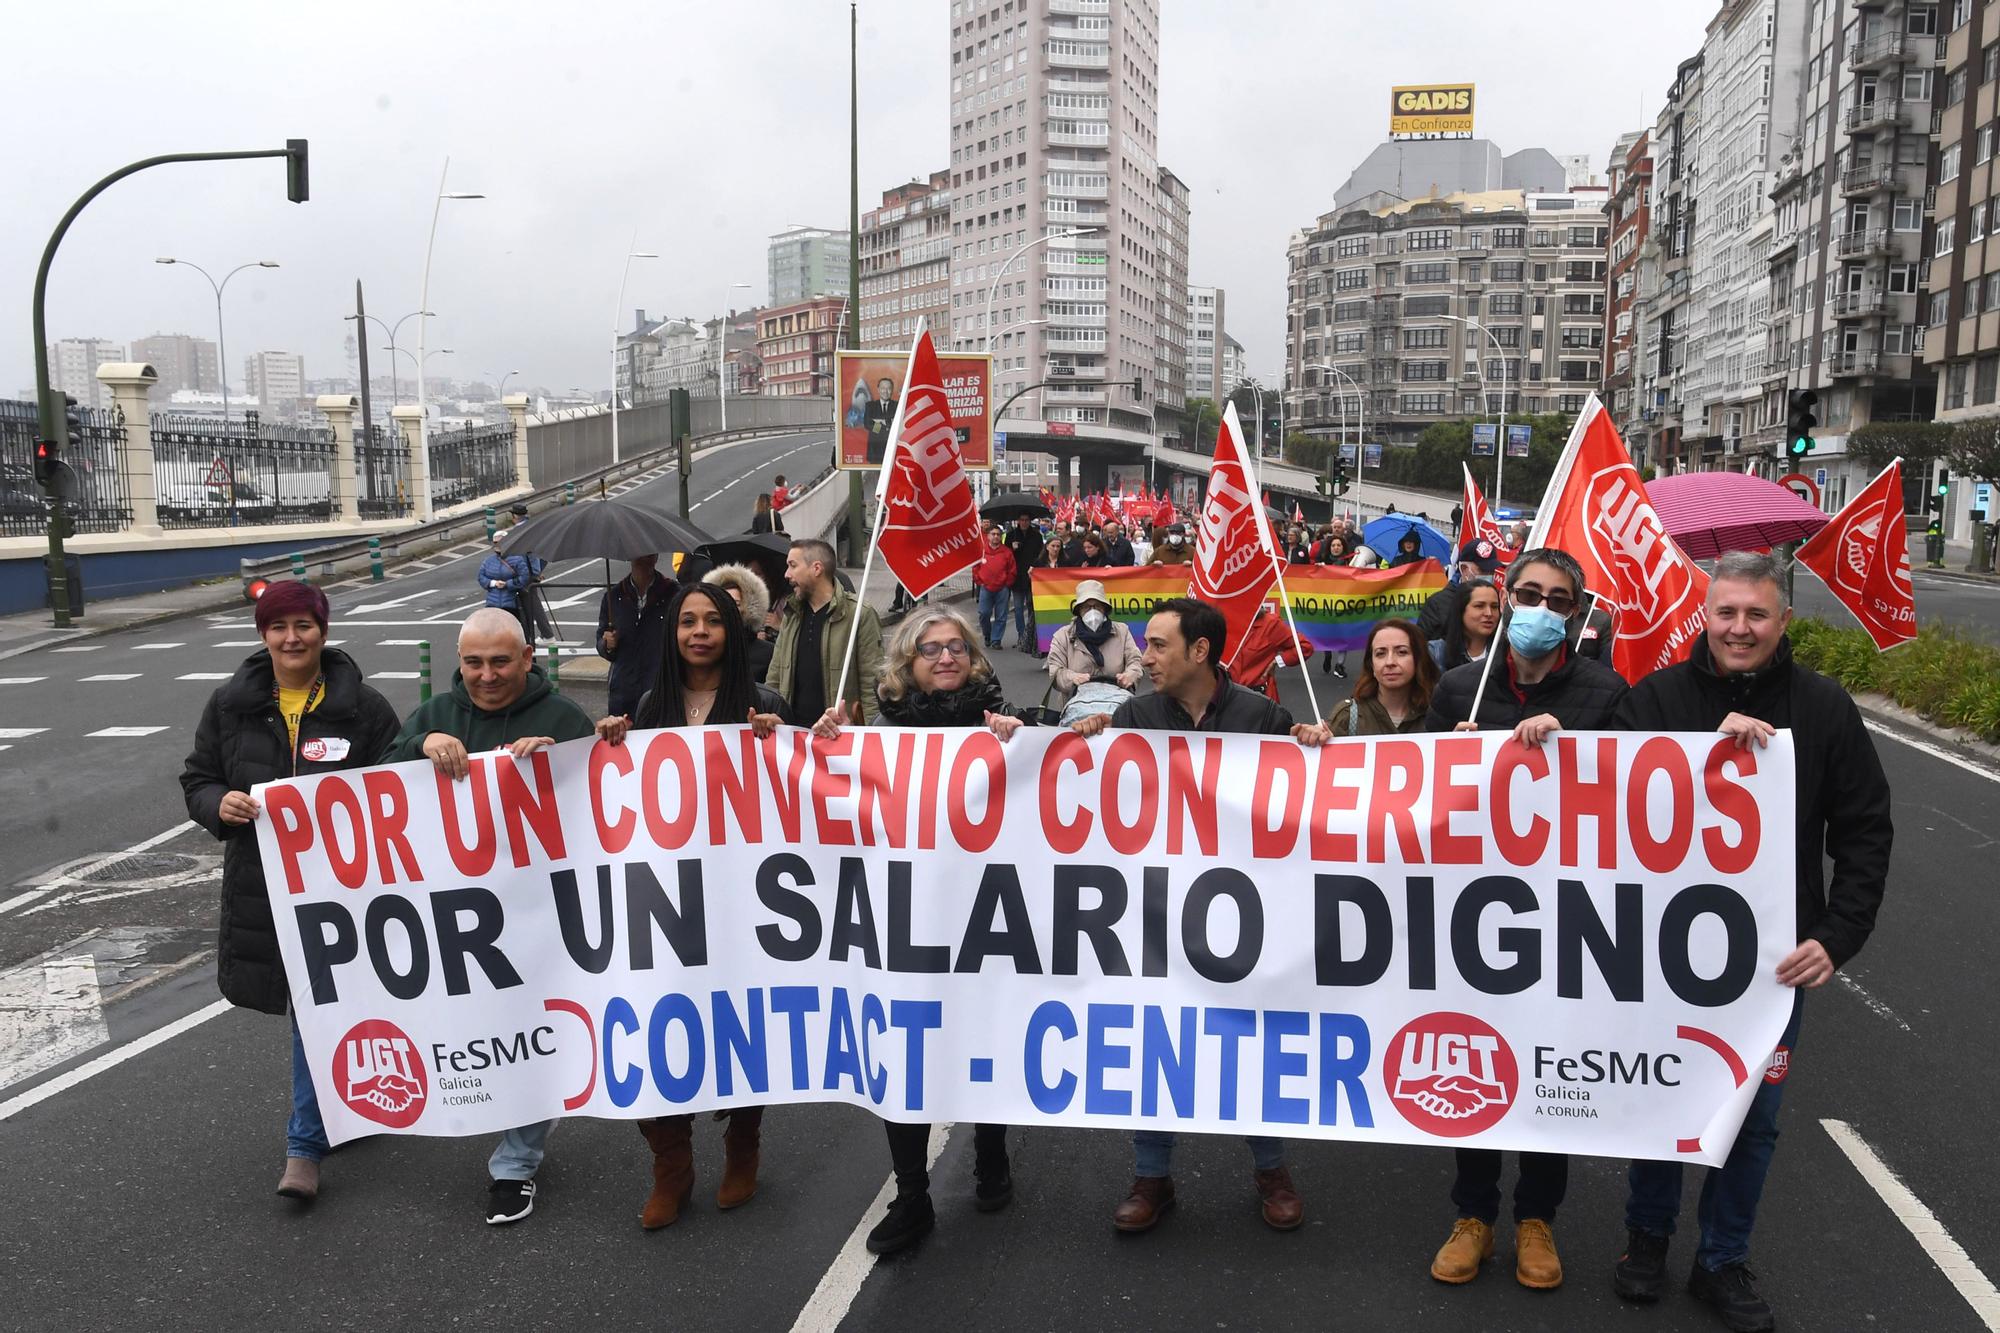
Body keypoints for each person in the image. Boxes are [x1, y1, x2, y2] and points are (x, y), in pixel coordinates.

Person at [1610, 550, 1892, 1333]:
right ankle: (1647, 1237)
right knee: (1663, 1092)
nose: (1740, 628)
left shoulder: (1825, 706)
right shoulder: (1658, 697)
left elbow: (1866, 829)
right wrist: (1706, 746)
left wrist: (1837, 934)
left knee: (1753, 1114)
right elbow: (1597, 796)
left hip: (1770, 966)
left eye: (1756, 614)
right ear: (1705, 614)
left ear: (1783, 621)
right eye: (1726, 611)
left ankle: (1721, 1257)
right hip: (1660, 953)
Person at [1071, 598, 1331, 1234]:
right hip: (1158, 914)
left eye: (1158, 646)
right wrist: (1081, 745)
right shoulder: (1133, 714)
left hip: (1245, 917)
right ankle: (1151, 1176)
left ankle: (1271, 1169)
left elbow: (1302, 809)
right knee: (1155, 1037)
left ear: (1200, 652)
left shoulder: (1262, 715)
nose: (1145, 657)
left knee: (1248, 1039)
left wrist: (1311, 744)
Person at [1423, 548, 1628, 1289]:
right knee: (1473, 1058)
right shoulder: (1457, 689)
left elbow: (1638, 793)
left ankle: (1536, 1217)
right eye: (1530, 592)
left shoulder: (1605, 691)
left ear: (1576, 612)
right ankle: (1472, 1213)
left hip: (1562, 917)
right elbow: (1411, 798)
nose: (1542, 606)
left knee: (1548, 1065)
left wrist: (1568, 752)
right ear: (1504, 599)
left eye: (1559, 598)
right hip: (1472, 915)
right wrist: (1448, 760)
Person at [809, 608, 1037, 1254]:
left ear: (974, 658)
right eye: (930, 648)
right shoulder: (878, 735)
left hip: (987, 920)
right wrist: (830, 745)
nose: (946, 656)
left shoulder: (1003, 724)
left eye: (957, 647)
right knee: (902, 1052)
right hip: (906, 920)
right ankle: (912, 1195)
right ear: (906, 663)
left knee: (986, 1042)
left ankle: (991, 1151)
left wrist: (1019, 745)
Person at [178, 581, 400, 1205]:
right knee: (315, 1005)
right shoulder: (230, 706)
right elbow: (198, 778)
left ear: (323, 630)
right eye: (279, 627)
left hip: (347, 888)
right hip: (266, 886)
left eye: (303, 624)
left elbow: (399, 786)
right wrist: (215, 804)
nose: (292, 638)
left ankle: (305, 1142)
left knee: (323, 1005)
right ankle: (327, 1120)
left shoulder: (365, 707)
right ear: (263, 635)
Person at [381, 607, 596, 1226]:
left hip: (539, 912)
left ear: (528, 659)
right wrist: (419, 745)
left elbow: (604, 805)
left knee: (528, 1025)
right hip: (455, 916)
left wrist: (559, 763)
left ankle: (515, 1162)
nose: (486, 674)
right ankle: (492, 1118)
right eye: (473, 662)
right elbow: (376, 789)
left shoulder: (562, 717)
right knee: (474, 1024)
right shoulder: (436, 715)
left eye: (500, 661)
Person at [594, 583, 789, 1230]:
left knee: (741, 1027)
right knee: (656, 1025)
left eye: (712, 621)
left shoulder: (762, 703)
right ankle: (670, 1163)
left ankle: (743, 1144)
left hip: (742, 902)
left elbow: (804, 791)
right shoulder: (652, 706)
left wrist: (780, 739)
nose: (699, 631)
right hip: (667, 902)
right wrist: (612, 744)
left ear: (733, 631)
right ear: (672, 633)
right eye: (687, 621)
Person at [767, 537, 884, 725]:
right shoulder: (791, 614)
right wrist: (769, 715)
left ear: (816, 568)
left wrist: (871, 734)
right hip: (793, 738)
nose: (787, 574)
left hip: (839, 736)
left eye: (792, 565)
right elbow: (775, 676)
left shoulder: (859, 614)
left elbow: (872, 683)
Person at [596, 553, 676, 720]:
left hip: (660, 685)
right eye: (639, 554)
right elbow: (602, 641)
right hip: (623, 689)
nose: (644, 559)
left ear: (656, 557)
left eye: (649, 554)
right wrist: (607, 644)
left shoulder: (673, 592)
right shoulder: (614, 596)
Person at [1326, 618, 1435, 735]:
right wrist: (1315, 739)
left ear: (1418, 659)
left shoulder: (1440, 715)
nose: (1390, 662)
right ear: (1371, 664)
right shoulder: (1347, 716)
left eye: (1402, 652)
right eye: (1380, 654)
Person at [1044, 578, 1143, 705]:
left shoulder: (1122, 632)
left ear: (1105, 608)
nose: (1092, 612)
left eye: (1097, 606)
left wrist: (1130, 675)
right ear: (1079, 610)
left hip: (1117, 706)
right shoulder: (1063, 636)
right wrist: (1073, 678)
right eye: (1086, 607)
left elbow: (1135, 660)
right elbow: (1056, 672)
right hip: (1076, 708)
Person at [1417, 540, 1506, 642]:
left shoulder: (1498, 602)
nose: (1489, 575)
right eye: (1483, 570)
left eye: (1491, 571)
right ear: (1464, 569)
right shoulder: (1437, 604)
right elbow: (1421, 646)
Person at [1230, 599, 1315, 702]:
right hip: (1228, 698)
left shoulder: (1270, 624)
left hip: (1259, 699)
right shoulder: (1224, 620)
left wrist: (1278, 661)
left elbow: (1304, 646)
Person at [702, 563, 775, 683]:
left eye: (736, 603)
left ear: (748, 607)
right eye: (724, 601)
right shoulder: (702, 646)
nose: (729, 607)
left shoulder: (767, 653)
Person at [1428, 579, 1502, 673]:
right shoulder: (1435, 652)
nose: (1489, 613)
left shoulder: (1506, 652)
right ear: (1460, 610)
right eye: (1479, 606)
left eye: (1494, 607)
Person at [1004, 513, 1045, 655]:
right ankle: (1021, 635)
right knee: (1018, 608)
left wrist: (1035, 568)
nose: (1024, 522)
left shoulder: (1036, 536)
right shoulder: (1011, 535)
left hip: (1032, 576)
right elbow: (1006, 555)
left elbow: (1041, 554)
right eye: (1021, 520)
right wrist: (1012, 548)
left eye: (1027, 520)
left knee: (1032, 606)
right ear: (1018, 521)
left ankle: (1031, 635)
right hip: (1017, 576)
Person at [973, 525, 1017, 648]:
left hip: (1002, 589)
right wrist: (979, 581)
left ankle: (996, 640)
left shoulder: (1007, 552)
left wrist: (1007, 583)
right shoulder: (981, 551)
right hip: (985, 588)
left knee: (1001, 616)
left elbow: (1012, 570)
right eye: (993, 534)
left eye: (998, 534)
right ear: (988, 536)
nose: (996, 536)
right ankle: (987, 635)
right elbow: (975, 567)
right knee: (984, 613)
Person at [864, 376, 899, 463]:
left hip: (893, 451)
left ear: (892, 390)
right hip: (874, 452)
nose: (886, 391)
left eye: (889, 388)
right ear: (878, 389)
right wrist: (887, 426)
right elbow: (867, 424)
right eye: (883, 388)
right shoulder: (870, 406)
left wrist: (879, 423)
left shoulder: (898, 405)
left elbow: (899, 424)